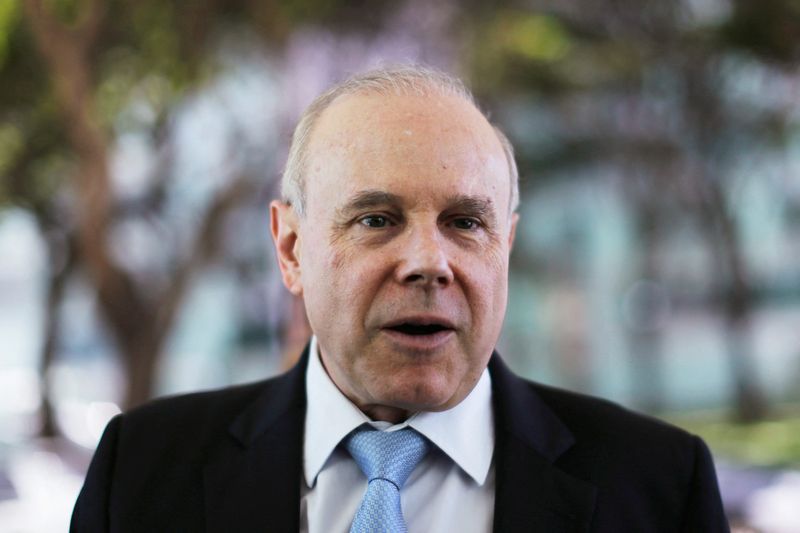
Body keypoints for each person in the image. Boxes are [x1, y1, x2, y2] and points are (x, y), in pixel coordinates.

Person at [71, 66, 729, 532]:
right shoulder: (142, 475)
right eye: (378, 219)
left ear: (508, 246)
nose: (428, 263)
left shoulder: (659, 486)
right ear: (291, 248)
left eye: (466, 223)